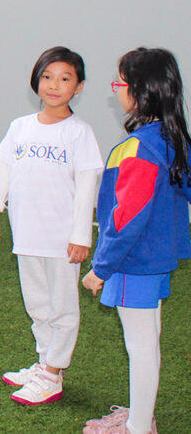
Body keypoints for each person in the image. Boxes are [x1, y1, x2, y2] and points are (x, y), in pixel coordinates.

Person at [0, 47, 103, 405]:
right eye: (47, 77)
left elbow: (86, 190)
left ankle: (53, 374)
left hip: (61, 240)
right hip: (27, 235)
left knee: (62, 307)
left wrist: (81, 236)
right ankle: (44, 361)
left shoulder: (80, 133)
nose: (54, 85)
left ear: (79, 86)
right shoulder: (20, 127)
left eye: (65, 78)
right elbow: (4, 173)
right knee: (37, 304)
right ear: (36, 81)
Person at [81, 47, 191, 434]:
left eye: (120, 83)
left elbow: (126, 219)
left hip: (134, 262)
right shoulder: (173, 138)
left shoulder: (140, 148)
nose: (117, 91)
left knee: (141, 345)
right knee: (148, 339)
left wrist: (101, 268)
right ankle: (139, 416)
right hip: (156, 259)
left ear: (140, 91)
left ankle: (139, 426)